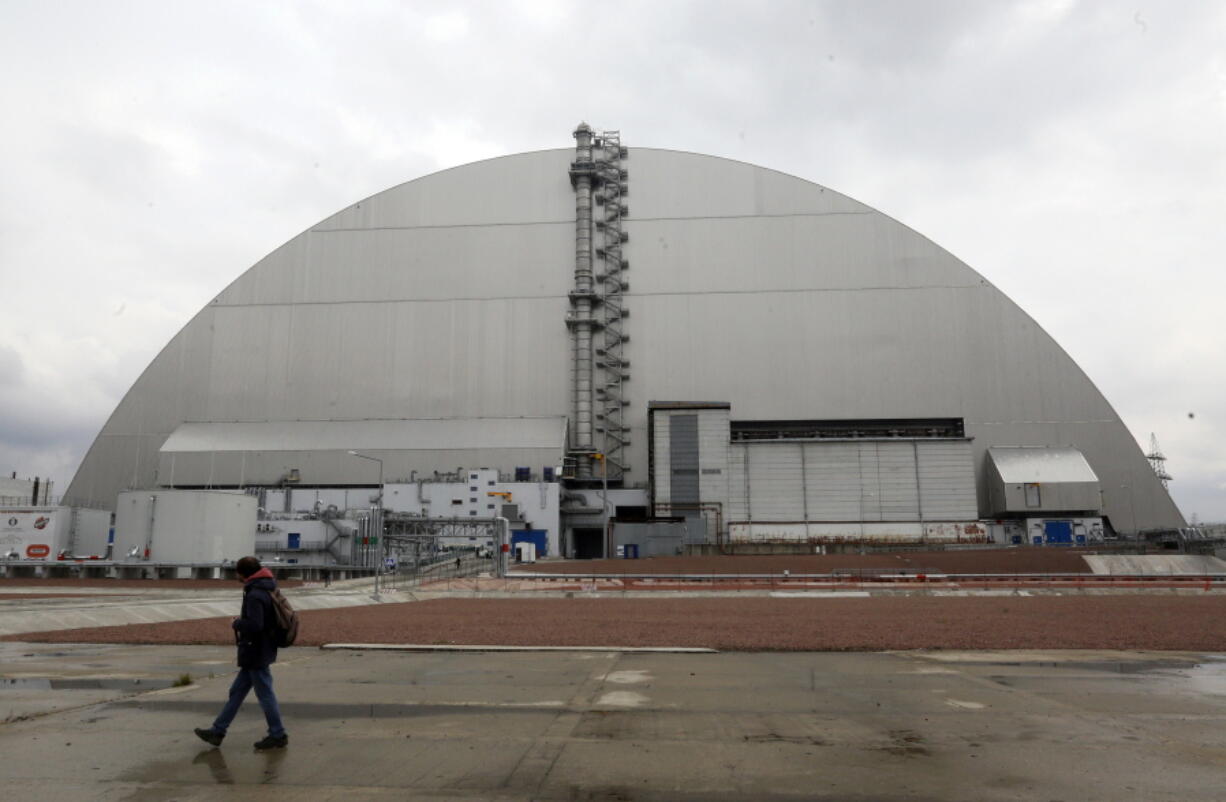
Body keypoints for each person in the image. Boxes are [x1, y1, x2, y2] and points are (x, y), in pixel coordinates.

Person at [194, 556, 288, 750]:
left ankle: (277, 734)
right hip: (260, 649)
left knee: (265, 695)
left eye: (237, 572)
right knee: (236, 692)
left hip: (255, 651)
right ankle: (217, 731)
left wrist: (236, 623)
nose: (236, 575)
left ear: (244, 573)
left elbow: (256, 624)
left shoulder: (255, 594)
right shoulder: (267, 588)